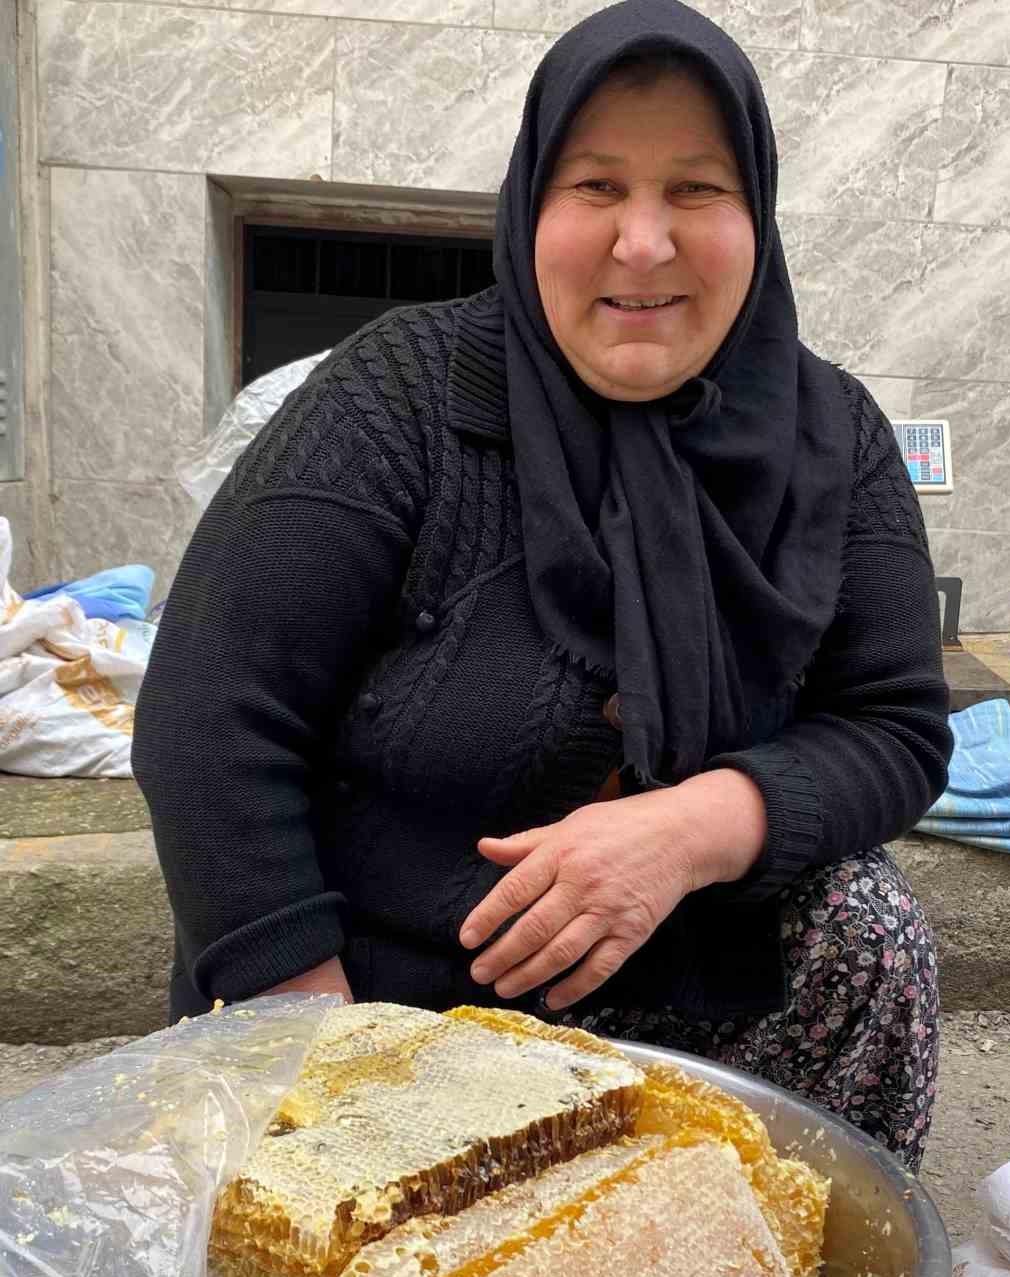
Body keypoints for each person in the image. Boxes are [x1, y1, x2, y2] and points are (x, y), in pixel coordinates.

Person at [133, 0, 951, 1173]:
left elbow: (894, 726)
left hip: (680, 984)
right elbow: (209, 713)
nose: (644, 244)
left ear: (757, 215)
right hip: (381, 996)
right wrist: (315, 1045)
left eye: (698, 190)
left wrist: (687, 827)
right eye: (598, 187)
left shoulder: (836, 437)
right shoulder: (401, 400)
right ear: (531, 207)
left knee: (867, 934)